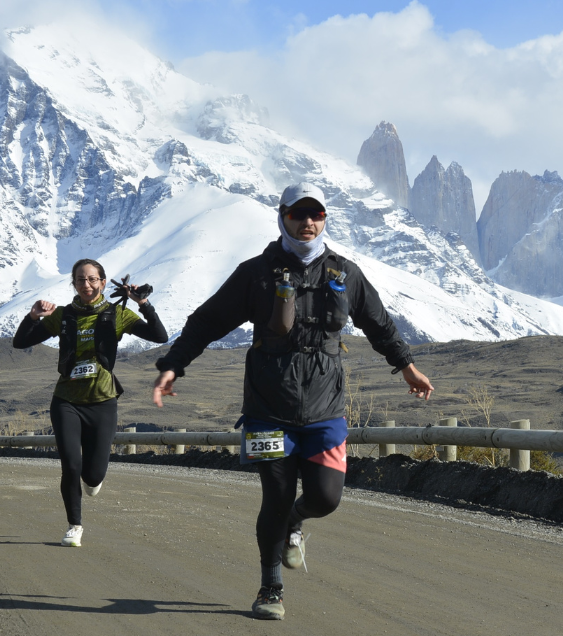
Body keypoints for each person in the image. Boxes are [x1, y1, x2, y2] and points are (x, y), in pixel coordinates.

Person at [151, 182, 434, 621]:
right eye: (298, 214)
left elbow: (380, 324)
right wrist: (174, 365)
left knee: (325, 498)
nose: (307, 223)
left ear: (325, 219)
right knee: (276, 496)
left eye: (316, 215)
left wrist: (406, 367)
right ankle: (270, 588)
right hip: (268, 406)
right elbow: (207, 321)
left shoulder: (345, 273)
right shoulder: (256, 273)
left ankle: (297, 524)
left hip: (325, 406)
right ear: (281, 216)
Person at [13, 259, 168, 547]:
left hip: (102, 401)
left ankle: (93, 480)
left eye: (92, 279)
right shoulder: (63, 315)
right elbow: (20, 342)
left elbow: (160, 336)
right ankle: (75, 525)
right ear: (73, 283)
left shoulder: (117, 314)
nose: (86, 285)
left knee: (93, 475)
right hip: (66, 400)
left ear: (103, 283)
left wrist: (142, 303)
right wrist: (32, 317)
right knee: (71, 465)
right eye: (80, 280)